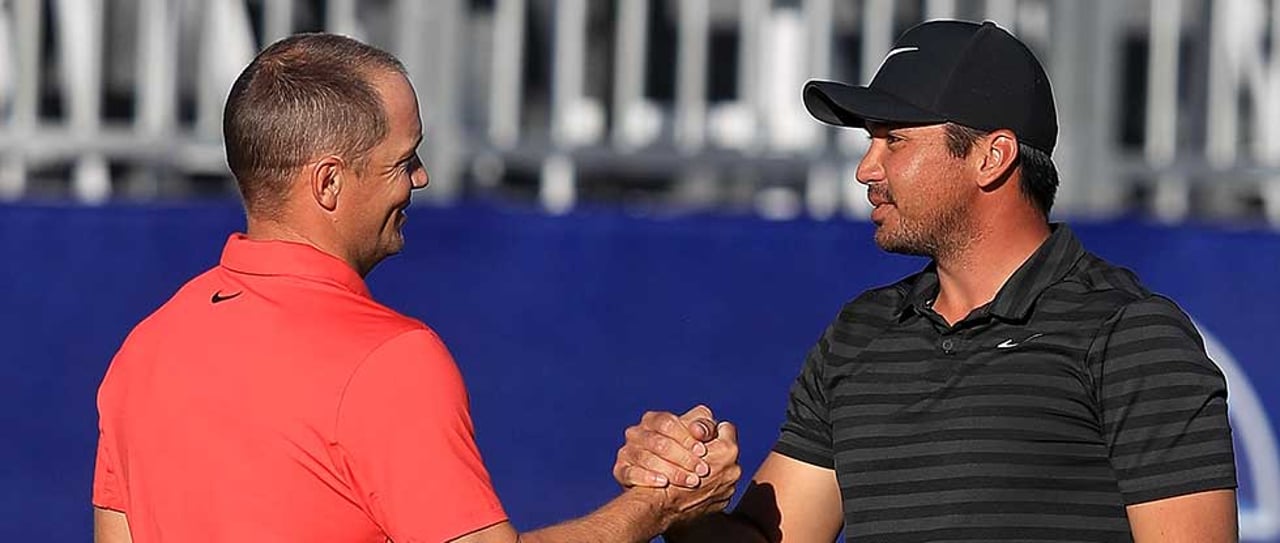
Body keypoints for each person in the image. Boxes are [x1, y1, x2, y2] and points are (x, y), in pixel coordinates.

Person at [92, 33, 739, 543]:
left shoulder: (144, 349)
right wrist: (656, 505)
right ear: (328, 183)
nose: (420, 179)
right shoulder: (389, 359)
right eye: (404, 160)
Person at [611, 19, 1238, 542]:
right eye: (869, 141)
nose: (865, 168)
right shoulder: (860, 334)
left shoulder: (1130, 334)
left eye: (894, 141)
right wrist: (679, 503)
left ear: (991, 157)